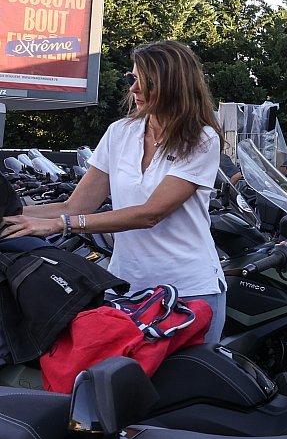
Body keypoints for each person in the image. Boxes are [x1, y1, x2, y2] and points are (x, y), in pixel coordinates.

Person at [1, 40, 228, 342]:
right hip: (128, 288)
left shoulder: (201, 139)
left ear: (174, 85)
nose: (134, 88)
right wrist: (11, 216)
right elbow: (74, 206)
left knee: (189, 376)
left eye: (146, 82)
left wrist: (59, 225)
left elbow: (150, 214)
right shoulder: (120, 132)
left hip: (190, 291)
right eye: (132, 78)